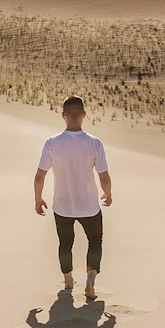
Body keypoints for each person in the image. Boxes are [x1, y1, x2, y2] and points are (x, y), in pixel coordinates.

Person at [34, 95, 111, 300]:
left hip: (63, 207)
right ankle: (90, 282)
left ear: (63, 116)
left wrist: (38, 199)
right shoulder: (95, 143)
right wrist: (108, 193)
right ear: (84, 115)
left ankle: (68, 280)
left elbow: (40, 175)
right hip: (89, 207)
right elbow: (104, 176)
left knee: (65, 243)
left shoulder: (52, 143)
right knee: (95, 242)